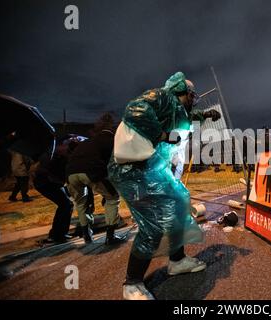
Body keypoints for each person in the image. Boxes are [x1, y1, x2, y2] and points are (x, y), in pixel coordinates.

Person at [108, 72, 221, 300]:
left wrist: (205, 114)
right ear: (183, 91)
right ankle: (132, 284)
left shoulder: (177, 109)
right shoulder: (163, 97)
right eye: (192, 94)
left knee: (179, 204)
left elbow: (185, 115)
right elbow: (135, 108)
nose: (195, 97)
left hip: (154, 169)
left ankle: (177, 261)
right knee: (154, 225)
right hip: (134, 171)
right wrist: (160, 134)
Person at [66, 114, 126, 245]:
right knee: (112, 197)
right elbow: (115, 162)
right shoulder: (112, 141)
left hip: (70, 173)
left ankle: (86, 234)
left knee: (81, 203)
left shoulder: (88, 141)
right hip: (91, 172)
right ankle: (110, 236)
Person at [33, 137, 78, 243]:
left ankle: (59, 234)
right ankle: (57, 235)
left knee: (66, 205)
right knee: (66, 205)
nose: (67, 149)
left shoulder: (60, 156)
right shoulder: (54, 156)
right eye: (66, 145)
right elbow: (45, 171)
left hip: (51, 183)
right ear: (60, 145)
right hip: (45, 183)